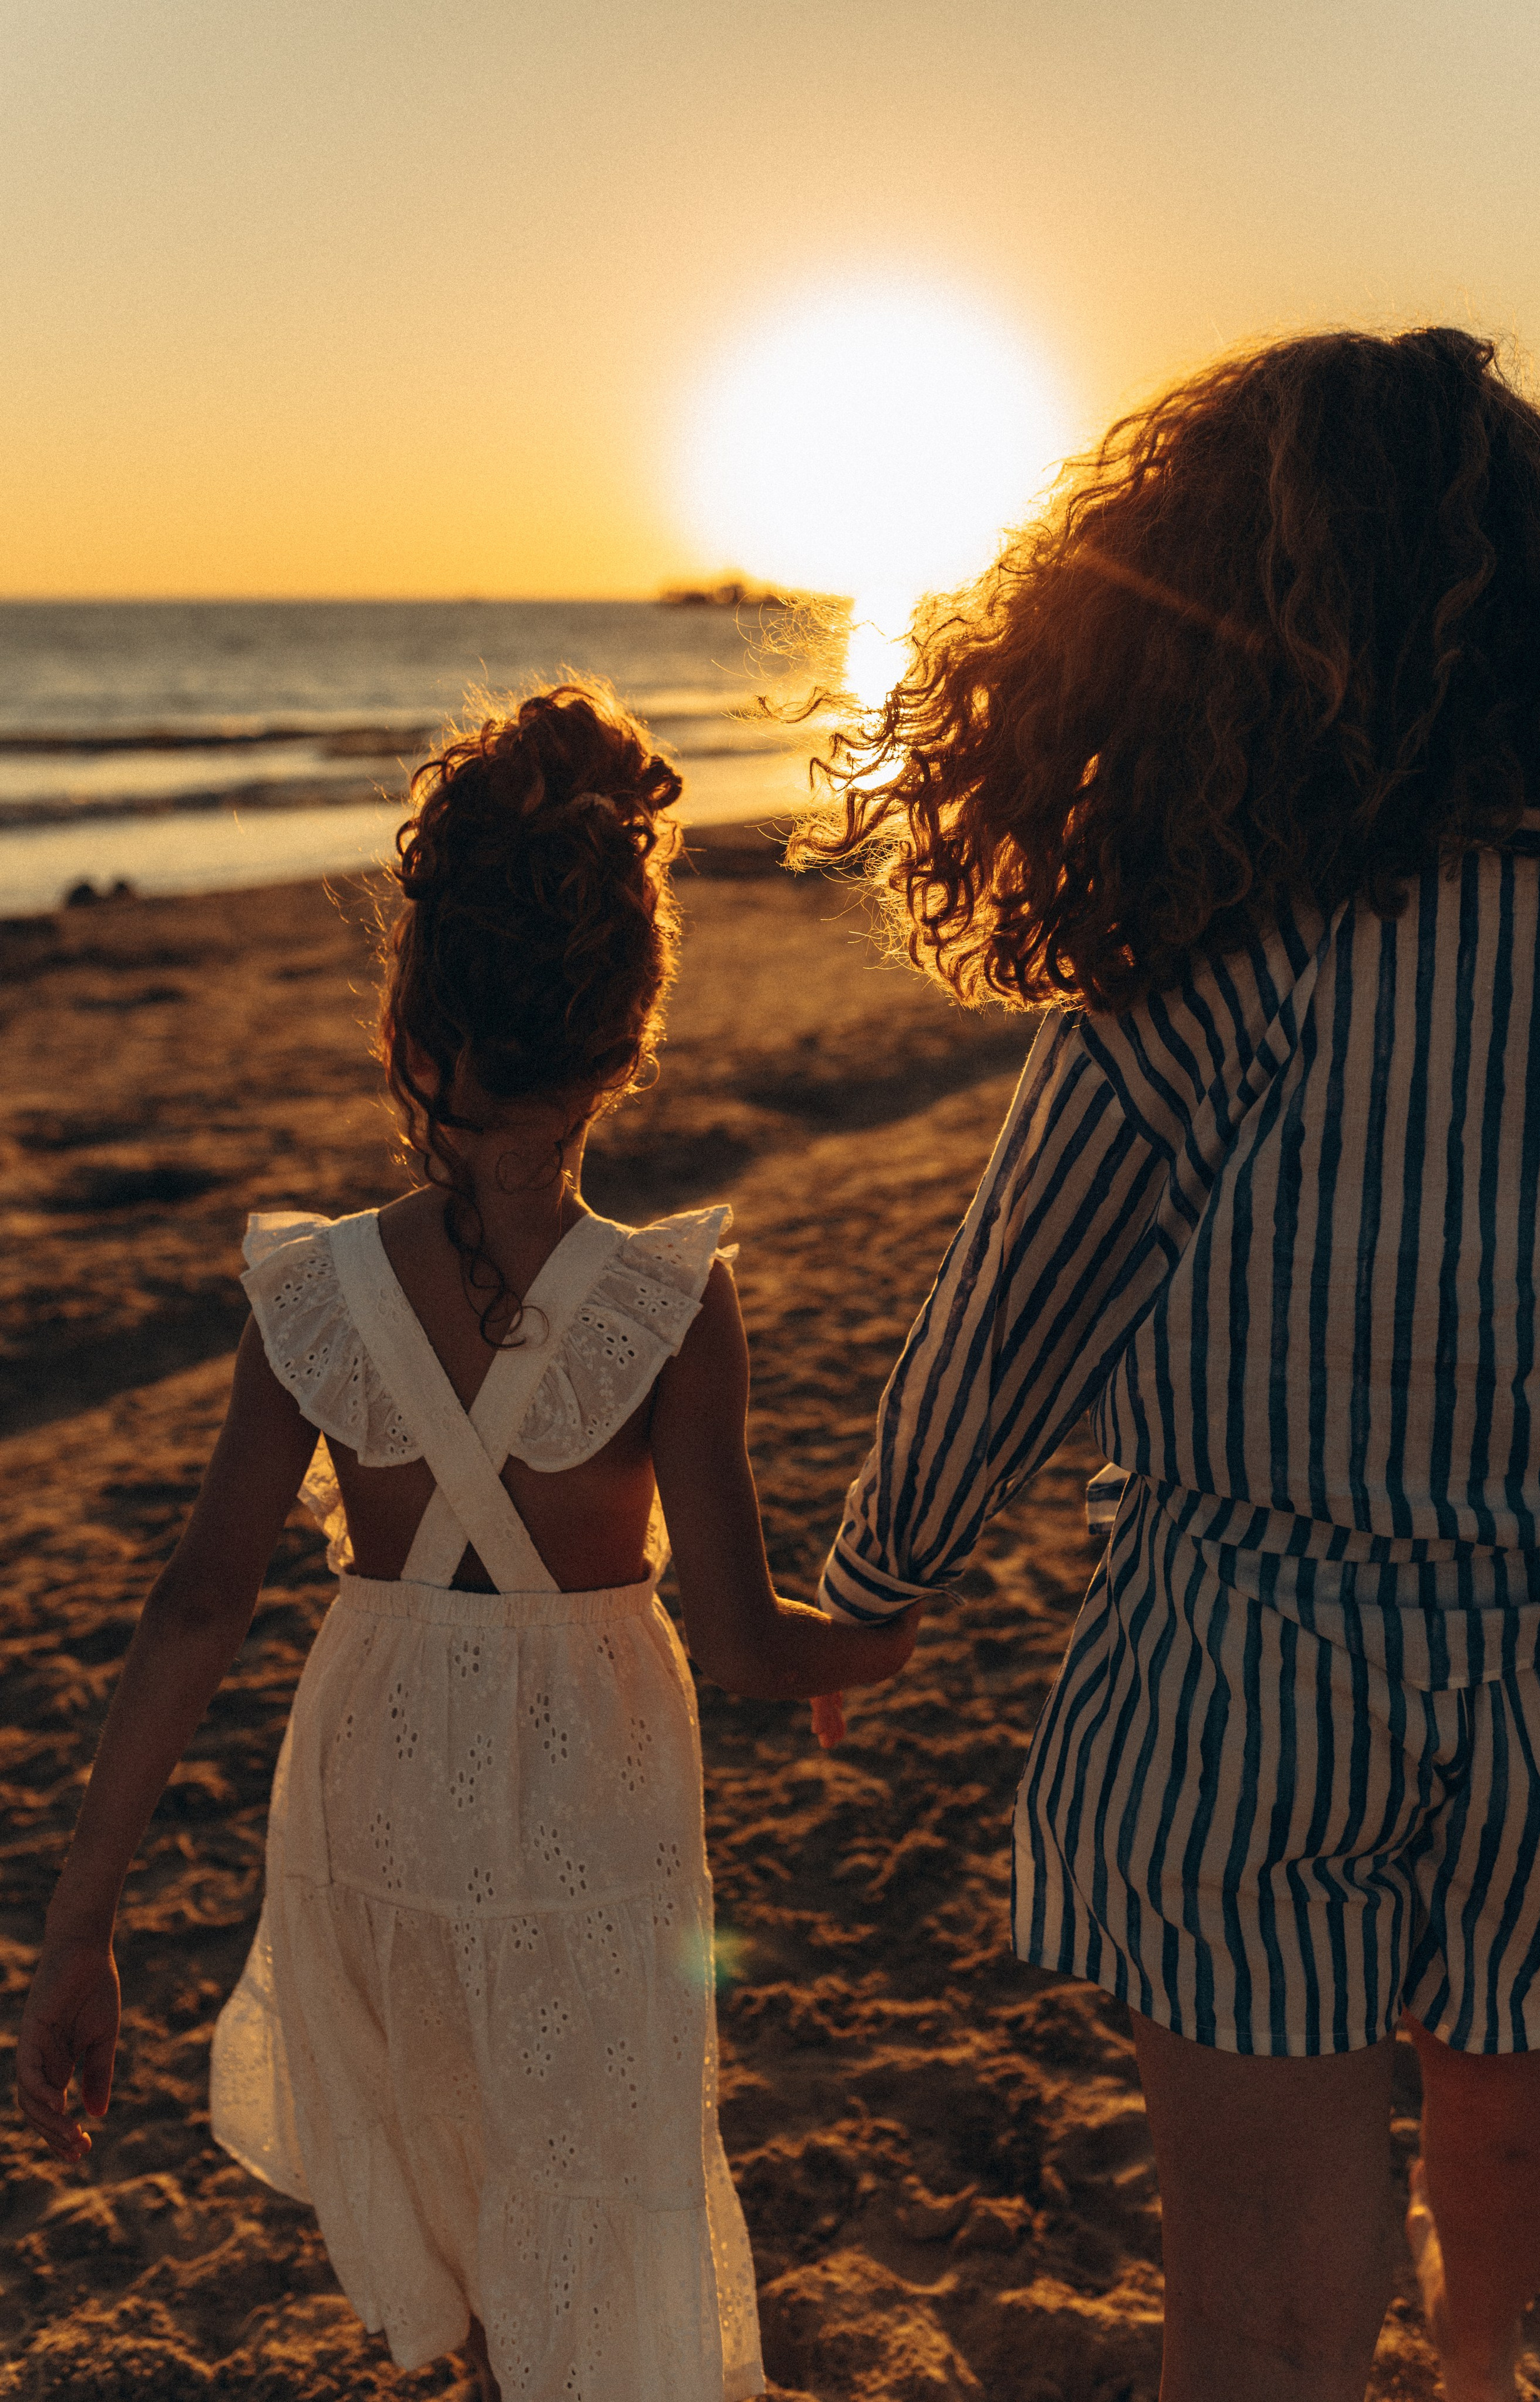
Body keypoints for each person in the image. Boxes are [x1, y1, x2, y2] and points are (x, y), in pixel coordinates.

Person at [798, 328, 1540, 2402]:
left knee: (1256, 2275)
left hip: (1245, 1652)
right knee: (1522, 2073)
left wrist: (881, 1580)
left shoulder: (1228, 944)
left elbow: (1020, 1304)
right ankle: (1486, 2349)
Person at [15, 682, 918, 2402]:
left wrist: (82, 1924)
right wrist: (868, 1645)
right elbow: (743, 1643)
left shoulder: (315, 1294)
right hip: (590, 1793)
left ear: (410, 1023)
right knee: (592, 2167)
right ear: (627, 1036)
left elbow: (199, 1601)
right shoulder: (668, 1306)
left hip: (374, 1786)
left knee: (463, 2155)